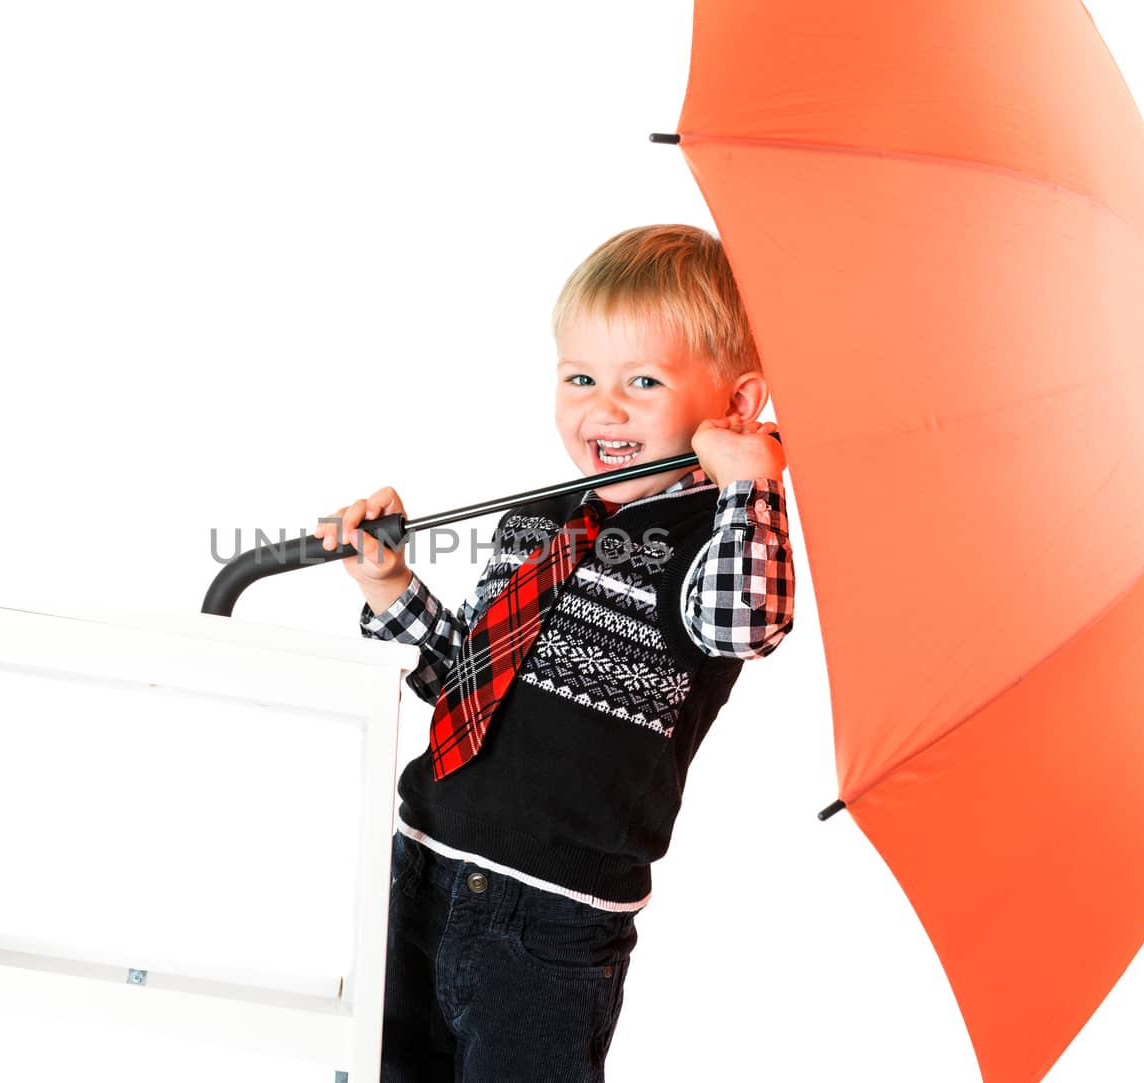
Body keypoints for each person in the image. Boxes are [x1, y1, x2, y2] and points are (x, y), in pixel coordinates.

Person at [313, 223, 795, 1082]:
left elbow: (746, 622)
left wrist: (750, 484)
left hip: (549, 925)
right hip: (423, 869)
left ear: (737, 401)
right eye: (580, 378)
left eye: (642, 381)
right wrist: (387, 582)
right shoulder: (536, 522)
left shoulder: (712, 542)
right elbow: (462, 685)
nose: (601, 409)